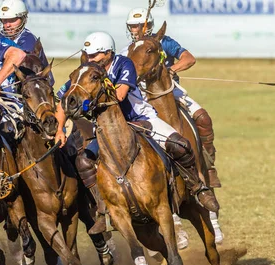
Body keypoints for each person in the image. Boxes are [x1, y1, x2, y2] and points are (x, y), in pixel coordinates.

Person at [55, 32, 219, 234]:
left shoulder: (123, 64)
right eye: (88, 56)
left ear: (108, 53)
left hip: (140, 119)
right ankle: (103, 210)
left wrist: (88, 100)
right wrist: (59, 129)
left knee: (180, 144)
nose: (91, 59)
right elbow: (65, 99)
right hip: (109, 128)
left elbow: (120, 95)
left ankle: (198, 188)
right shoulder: (85, 72)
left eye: (95, 55)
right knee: (84, 162)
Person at [121, 7, 221, 188]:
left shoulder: (164, 43)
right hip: (141, 95)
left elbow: (189, 59)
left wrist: (171, 70)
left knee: (203, 118)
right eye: (132, 26)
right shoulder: (130, 50)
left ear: (149, 26)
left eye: (138, 26)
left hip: (169, 90)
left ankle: (207, 163)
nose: (136, 30)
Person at [0, 0, 54, 84]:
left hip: (35, 87)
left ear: (23, 19)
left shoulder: (28, 41)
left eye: (12, 20)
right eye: (4, 20)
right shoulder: (0, 37)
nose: (7, 25)